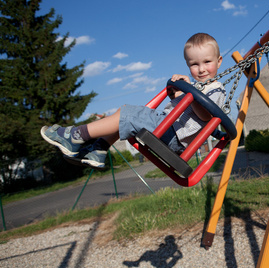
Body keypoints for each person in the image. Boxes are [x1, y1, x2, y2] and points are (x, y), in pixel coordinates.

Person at [41, 33, 225, 169]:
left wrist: (190, 92)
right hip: (170, 129)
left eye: (207, 62)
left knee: (128, 115)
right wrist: (178, 95)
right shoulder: (198, 87)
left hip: (174, 135)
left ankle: (74, 136)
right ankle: (99, 149)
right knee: (126, 116)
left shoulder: (216, 88)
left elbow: (206, 114)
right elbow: (187, 108)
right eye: (194, 64)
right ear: (188, 65)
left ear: (219, 61)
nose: (201, 69)